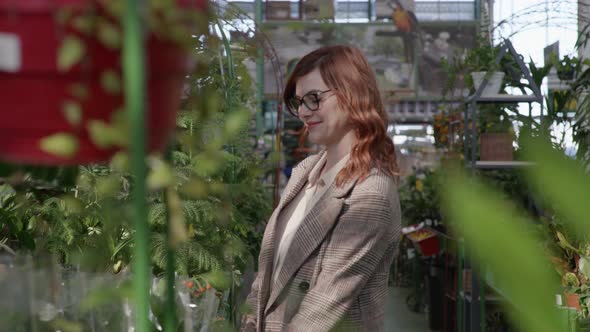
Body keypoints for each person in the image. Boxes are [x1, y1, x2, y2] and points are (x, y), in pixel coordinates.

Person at [241, 45, 401, 332]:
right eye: (299, 101)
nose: (303, 111)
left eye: (314, 98)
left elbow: (322, 308)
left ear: (353, 94)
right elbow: (267, 273)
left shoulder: (370, 193)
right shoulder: (304, 174)